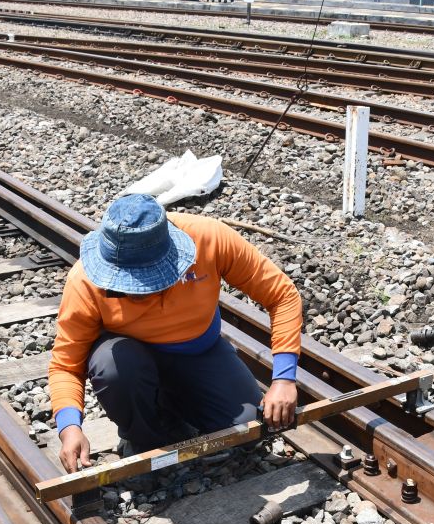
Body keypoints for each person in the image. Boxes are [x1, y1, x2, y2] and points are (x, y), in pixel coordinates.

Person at [50, 194, 303, 473]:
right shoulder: (84, 280)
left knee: (245, 430)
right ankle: (143, 437)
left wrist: (283, 378)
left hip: (199, 352)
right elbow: (65, 365)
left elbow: (282, 295)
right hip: (130, 361)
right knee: (112, 366)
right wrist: (69, 427)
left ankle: (173, 405)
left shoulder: (208, 238)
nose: (139, 293)